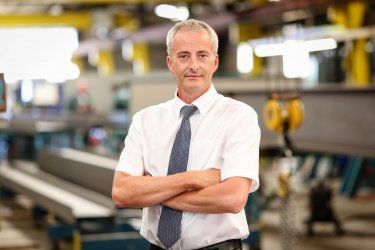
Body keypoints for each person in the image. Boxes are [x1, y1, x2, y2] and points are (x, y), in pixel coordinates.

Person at [112, 19, 261, 250]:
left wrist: (155, 192)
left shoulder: (239, 117)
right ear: (170, 63)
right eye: (184, 56)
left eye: (202, 55)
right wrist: (191, 179)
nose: (193, 65)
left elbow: (232, 198)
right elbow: (122, 192)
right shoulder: (145, 121)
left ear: (215, 62)